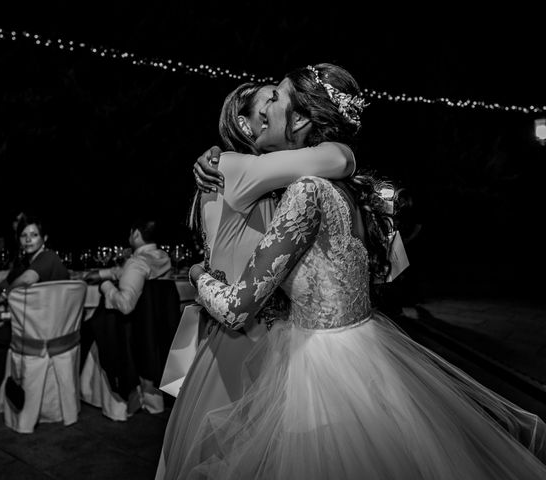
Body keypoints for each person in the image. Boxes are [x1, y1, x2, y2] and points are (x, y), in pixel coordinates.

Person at [180, 63, 546, 479]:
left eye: (276, 97)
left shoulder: (305, 189)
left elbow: (237, 308)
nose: (267, 110)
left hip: (319, 367)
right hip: (365, 353)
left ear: (299, 118)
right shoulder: (348, 190)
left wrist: (196, 274)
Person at [157, 77, 356, 478]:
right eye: (269, 100)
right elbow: (340, 159)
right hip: (242, 342)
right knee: (229, 454)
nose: (273, 108)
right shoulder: (239, 168)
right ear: (246, 125)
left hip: (263, 336)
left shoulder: (257, 175)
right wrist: (197, 273)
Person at [82, 218, 172, 415]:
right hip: (157, 330)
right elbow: (131, 272)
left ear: (136, 234)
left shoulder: (137, 262)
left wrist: (105, 286)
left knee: (97, 324)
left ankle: (113, 398)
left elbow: (125, 305)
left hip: (132, 334)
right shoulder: (163, 257)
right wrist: (106, 273)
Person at [0, 215, 69, 400]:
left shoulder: (48, 257)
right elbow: (8, 281)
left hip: (46, 328)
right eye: (23, 235)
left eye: (34, 235)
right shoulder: (26, 261)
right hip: (40, 324)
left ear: (44, 238)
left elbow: (26, 279)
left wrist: (2, 298)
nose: (28, 239)